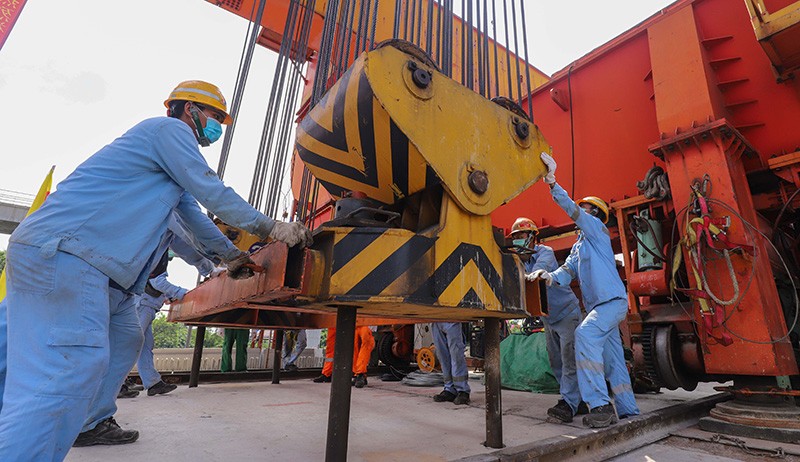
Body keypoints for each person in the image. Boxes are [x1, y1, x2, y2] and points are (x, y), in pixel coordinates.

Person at [0, 80, 312, 461]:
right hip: (68, 257)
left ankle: (91, 421)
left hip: (75, 263)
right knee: (64, 372)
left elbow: (193, 218)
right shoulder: (169, 131)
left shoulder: (164, 167)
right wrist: (270, 228)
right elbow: (210, 189)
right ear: (188, 110)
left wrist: (230, 256)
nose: (216, 127)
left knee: (110, 340)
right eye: (214, 117)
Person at [528, 153, 640, 428]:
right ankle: (628, 410)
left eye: (586, 210)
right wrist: (548, 277)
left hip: (610, 303)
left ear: (596, 215)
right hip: (601, 308)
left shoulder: (598, 232)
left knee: (585, 335)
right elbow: (566, 273)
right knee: (613, 359)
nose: (582, 213)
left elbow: (573, 211)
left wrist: (552, 183)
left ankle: (600, 405)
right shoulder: (580, 248)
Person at [510, 217, 585, 423]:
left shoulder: (546, 253)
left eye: (521, 236)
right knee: (556, 361)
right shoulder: (518, 259)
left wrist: (516, 267)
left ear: (534, 237)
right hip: (549, 318)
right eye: (514, 238)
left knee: (569, 359)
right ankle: (575, 401)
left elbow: (535, 275)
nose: (517, 241)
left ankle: (568, 404)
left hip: (566, 313)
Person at [431, 322, 471, 405]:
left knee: (456, 354)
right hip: (435, 320)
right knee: (442, 355)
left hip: (452, 318)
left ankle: (463, 390)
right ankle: (449, 389)